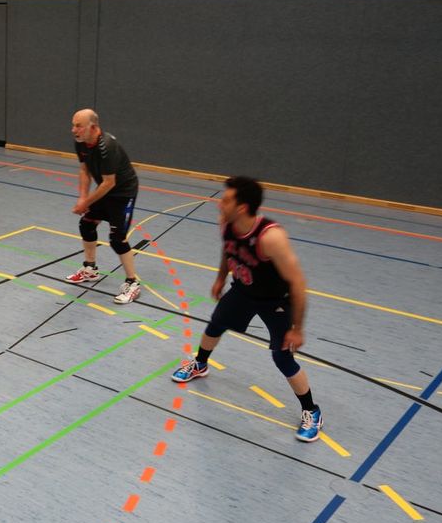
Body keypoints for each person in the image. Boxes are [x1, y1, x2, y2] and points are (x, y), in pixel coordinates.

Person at [171, 176, 323, 442]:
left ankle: (312, 411)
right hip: (244, 290)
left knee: (282, 357)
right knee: (215, 325)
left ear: (242, 207)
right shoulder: (227, 222)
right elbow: (228, 249)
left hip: (275, 301)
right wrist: (221, 278)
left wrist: (297, 329)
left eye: (226, 200)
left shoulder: (271, 237)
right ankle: (200, 364)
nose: (220, 203)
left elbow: (298, 283)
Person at [65, 109, 142, 304]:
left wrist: (86, 203)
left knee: (117, 239)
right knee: (87, 224)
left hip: (123, 193)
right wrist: (83, 197)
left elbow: (109, 183)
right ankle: (90, 269)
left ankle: (133, 283)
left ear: (93, 127)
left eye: (78, 126)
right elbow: (84, 170)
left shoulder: (106, 146)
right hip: (105, 190)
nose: (74, 130)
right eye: (73, 125)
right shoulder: (81, 141)